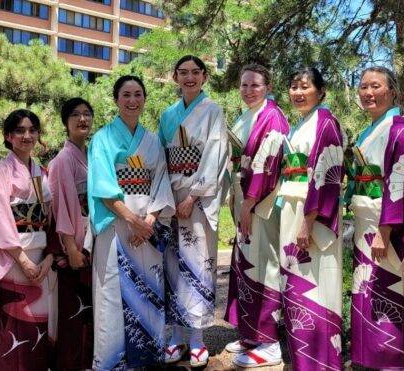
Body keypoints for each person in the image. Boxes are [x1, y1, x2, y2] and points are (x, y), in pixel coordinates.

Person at [87, 75, 175, 369]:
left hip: (147, 225)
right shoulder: (102, 138)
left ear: (144, 99)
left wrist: (148, 221)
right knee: (112, 294)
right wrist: (131, 221)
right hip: (115, 226)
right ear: (116, 99)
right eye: (126, 95)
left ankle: (148, 356)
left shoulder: (152, 140)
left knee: (149, 288)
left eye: (138, 94)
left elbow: (161, 181)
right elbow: (102, 186)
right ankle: (112, 361)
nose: (132, 100)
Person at [159, 55, 230, 367]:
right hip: (170, 196)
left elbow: (216, 153)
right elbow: (159, 157)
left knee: (199, 264)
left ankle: (198, 337)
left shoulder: (213, 111)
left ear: (204, 77)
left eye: (195, 73)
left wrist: (194, 195)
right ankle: (174, 335)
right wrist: (167, 198)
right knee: (171, 264)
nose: (189, 78)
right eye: (183, 73)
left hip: (198, 198)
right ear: (175, 77)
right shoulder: (167, 115)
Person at [349, 66, 404, 370]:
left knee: (388, 287)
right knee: (366, 288)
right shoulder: (371, 130)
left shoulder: (399, 130)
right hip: (367, 219)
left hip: (385, 223)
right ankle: (370, 357)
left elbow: (400, 183)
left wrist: (385, 230)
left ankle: (391, 361)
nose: (368, 93)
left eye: (376, 86)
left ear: (392, 91)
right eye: (364, 87)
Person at [0, 109, 60, 370]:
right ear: (8, 136)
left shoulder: (43, 171)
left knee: (37, 325)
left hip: (41, 259)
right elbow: (0, 218)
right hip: (14, 258)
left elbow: (52, 219)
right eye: (20, 131)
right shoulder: (0, 171)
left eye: (32, 130)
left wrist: (49, 257)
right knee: (13, 328)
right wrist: (23, 260)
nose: (27, 136)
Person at [223, 63, 290, 368]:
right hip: (244, 198)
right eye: (244, 85)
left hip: (261, 202)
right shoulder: (246, 116)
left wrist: (249, 204)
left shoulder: (272, 117)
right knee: (246, 265)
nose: (248, 90)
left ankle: (270, 341)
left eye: (255, 85)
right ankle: (250, 333)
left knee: (264, 265)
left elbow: (267, 164)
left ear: (268, 86)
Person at [278, 67, 345, 370]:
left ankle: (322, 359)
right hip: (293, 206)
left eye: (305, 86)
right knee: (296, 280)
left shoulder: (326, 122)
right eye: (293, 86)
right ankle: (303, 357)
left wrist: (309, 220)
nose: (298, 92)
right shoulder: (299, 125)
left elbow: (325, 175)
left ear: (320, 91)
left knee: (316, 280)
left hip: (311, 210)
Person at [48, 98, 95, 370]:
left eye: (87, 114)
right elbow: (61, 207)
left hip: (93, 238)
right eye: (75, 114)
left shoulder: (91, 154)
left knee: (90, 312)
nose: (82, 119)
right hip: (74, 245)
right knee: (72, 312)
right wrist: (71, 247)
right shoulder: (62, 160)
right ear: (65, 122)